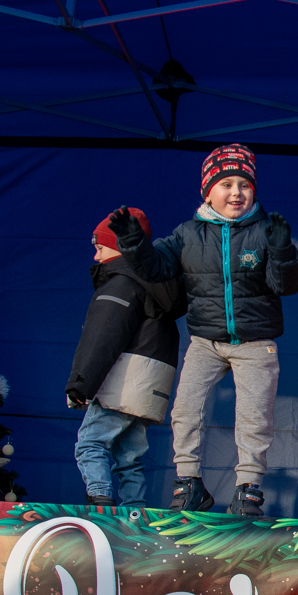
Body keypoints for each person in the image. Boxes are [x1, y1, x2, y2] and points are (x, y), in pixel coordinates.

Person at [112, 144, 298, 517]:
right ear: (207, 191)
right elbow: (155, 268)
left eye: (244, 185)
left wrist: (282, 251)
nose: (236, 192)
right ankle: (189, 483)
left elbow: (285, 285)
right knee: (185, 409)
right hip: (205, 341)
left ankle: (248, 488)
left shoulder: (264, 231)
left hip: (254, 342)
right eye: (227, 184)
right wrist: (133, 243)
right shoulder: (188, 233)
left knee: (253, 417)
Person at [65, 207, 186, 508]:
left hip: (122, 386)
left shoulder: (121, 283)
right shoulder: (159, 287)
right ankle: (135, 510)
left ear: (119, 247)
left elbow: (102, 338)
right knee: (129, 457)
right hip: (150, 389)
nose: (96, 256)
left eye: (100, 247)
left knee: (90, 444)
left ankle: (100, 499)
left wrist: (81, 383)